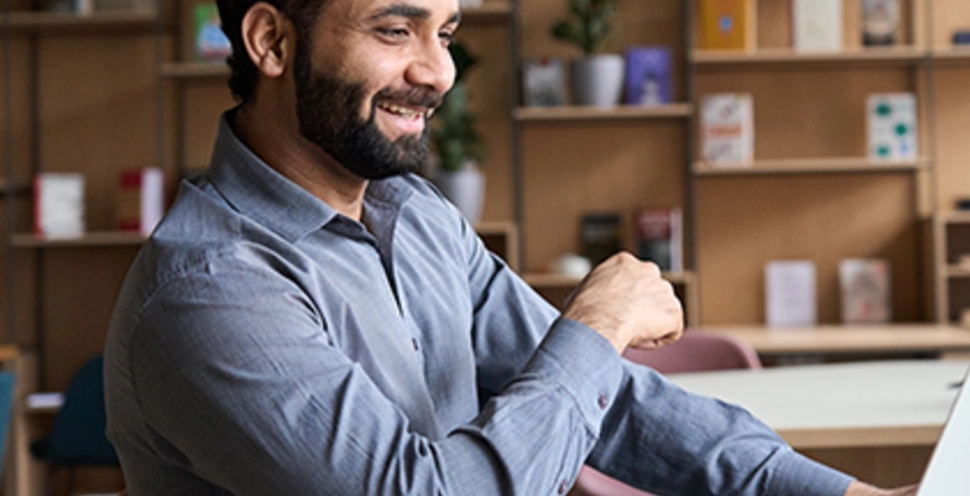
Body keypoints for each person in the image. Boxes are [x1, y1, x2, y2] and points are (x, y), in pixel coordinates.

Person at [102, 0, 918, 494]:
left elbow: (614, 406)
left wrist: (847, 494)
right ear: (271, 42)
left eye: (445, 32)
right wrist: (595, 326)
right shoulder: (210, 290)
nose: (437, 71)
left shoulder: (415, 217)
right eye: (395, 29)